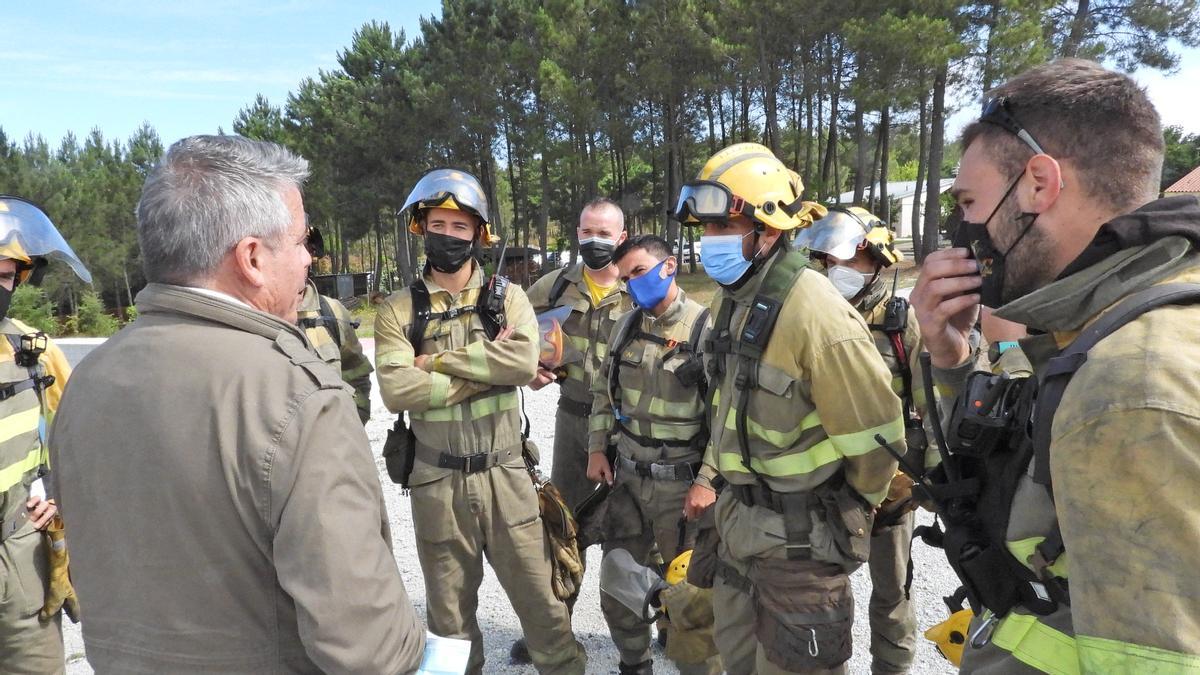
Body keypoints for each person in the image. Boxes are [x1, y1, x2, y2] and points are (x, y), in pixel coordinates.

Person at [49, 135, 425, 673]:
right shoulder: (296, 395)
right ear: (251, 258)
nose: (307, 260)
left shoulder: (86, 382)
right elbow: (367, 649)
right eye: (300, 242)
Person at [911, 58, 1200, 672]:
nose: (963, 227)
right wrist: (951, 356)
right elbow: (1037, 463)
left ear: (1039, 184)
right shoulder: (1112, 325)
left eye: (968, 201)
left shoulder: (1132, 382)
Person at [675, 142, 905, 674]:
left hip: (799, 547)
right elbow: (727, 408)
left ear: (769, 229)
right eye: (705, 230)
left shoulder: (816, 314)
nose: (709, 243)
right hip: (735, 529)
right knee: (737, 662)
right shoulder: (731, 300)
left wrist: (845, 512)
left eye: (723, 229)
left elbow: (878, 439)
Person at [373, 168, 586, 675]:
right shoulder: (398, 310)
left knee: (544, 609)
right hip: (437, 483)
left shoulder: (506, 299)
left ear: (479, 235)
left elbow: (519, 365)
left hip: (507, 478)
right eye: (438, 225)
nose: (448, 236)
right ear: (422, 229)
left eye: (460, 227)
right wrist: (486, 370)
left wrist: (436, 362)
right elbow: (397, 389)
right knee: (449, 626)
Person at [798, 206, 926, 674]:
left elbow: (928, 403)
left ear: (878, 262)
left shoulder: (900, 322)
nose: (838, 272)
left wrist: (917, 479)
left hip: (891, 494)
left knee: (892, 594)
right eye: (830, 262)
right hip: (828, 492)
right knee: (824, 595)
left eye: (850, 261)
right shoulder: (815, 318)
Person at [587, 234, 719, 675]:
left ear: (670, 267)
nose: (631, 284)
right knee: (619, 582)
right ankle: (634, 665)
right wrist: (596, 449)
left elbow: (728, 421)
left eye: (639, 272)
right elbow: (604, 395)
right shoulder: (625, 325)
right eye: (625, 278)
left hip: (683, 491)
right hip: (626, 482)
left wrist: (706, 481)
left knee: (690, 596)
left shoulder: (706, 329)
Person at [0, 196, 88, 675]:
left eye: (5, 273)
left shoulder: (34, 352)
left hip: (21, 558)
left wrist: (55, 494)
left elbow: (80, 441)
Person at [526, 198, 633, 512]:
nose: (594, 239)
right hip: (572, 419)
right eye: (587, 231)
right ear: (577, 233)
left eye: (604, 232)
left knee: (630, 523)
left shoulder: (639, 287)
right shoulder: (554, 286)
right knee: (566, 519)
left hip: (626, 425)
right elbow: (508, 331)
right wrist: (528, 367)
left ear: (621, 238)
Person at [296, 228, 373, 424]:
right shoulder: (251, 313)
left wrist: (352, 427)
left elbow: (357, 374)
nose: (305, 258)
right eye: (295, 247)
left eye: (308, 248)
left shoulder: (332, 311)